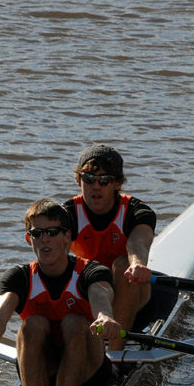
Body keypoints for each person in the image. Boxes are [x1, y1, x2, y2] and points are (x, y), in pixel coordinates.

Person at [0, 198, 122, 386]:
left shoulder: (91, 272)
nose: (45, 239)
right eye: (37, 233)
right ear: (29, 239)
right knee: (32, 325)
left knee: (74, 323)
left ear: (67, 237)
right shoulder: (19, 277)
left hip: (89, 376)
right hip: (43, 374)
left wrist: (104, 317)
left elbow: (101, 295)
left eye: (53, 232)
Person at [63, 143, 156, 351]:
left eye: (104, 180)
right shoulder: (67, 214)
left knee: (124, 265)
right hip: (93, 294)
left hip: (131, 292)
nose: (96, 186)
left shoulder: (136, 211)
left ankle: (114, 354)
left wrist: (137, 264)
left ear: (118, 184)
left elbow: (138, 242)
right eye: (88, 179)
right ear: (78, 181)